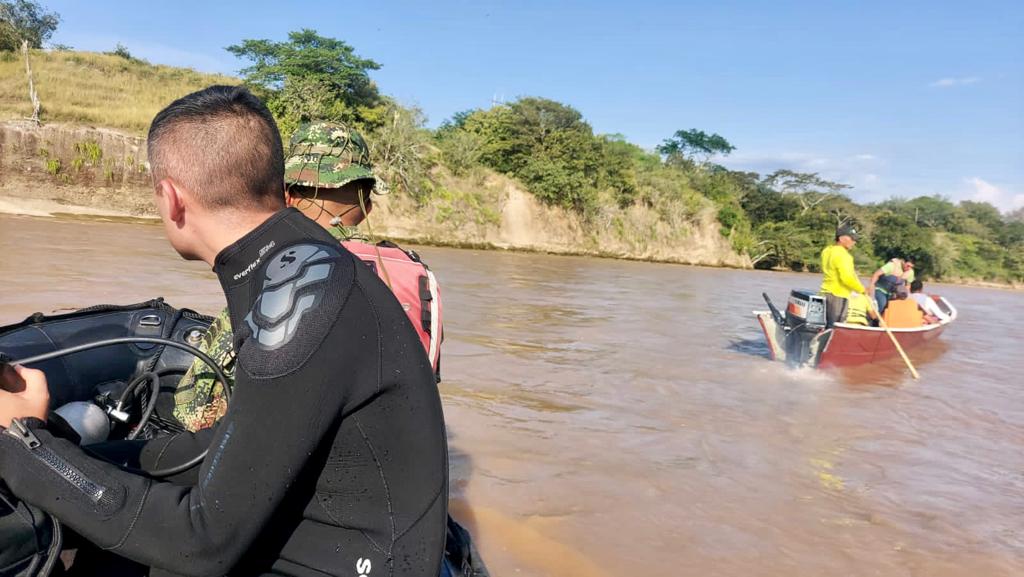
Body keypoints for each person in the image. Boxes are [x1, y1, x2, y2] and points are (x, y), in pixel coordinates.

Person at [0, 86, 449, 576]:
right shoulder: (294, 261)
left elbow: (203, 546)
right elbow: (219, 448)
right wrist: (77, 451)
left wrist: (23, 445)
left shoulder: (301, 294)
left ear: (171, 199)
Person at [820, 224, 867, 327]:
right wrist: (862, 290)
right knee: (836, 326)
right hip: (838, 295)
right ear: (841, 238)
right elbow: (847, 279)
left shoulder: (827, 250)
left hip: (825, 292)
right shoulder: (844, 255)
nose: (854, 242)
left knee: (828, 324)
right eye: (852, 239)